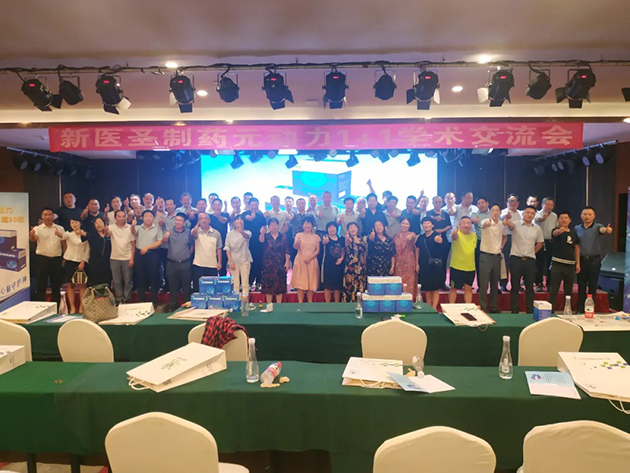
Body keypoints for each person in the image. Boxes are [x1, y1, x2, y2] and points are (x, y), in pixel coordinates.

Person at [503, 205, 544, 314]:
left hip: (530, 260)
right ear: (523, 213)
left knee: (529, 286)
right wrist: (507, 217)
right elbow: (508, 223)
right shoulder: (516, 224)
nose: (530, 215)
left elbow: (540, 243)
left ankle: (529, 311)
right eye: (528, 212)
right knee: (515, 285)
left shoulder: (537, 228)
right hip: (516, 259)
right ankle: (514, 310)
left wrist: (531, 252)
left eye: (532, 213)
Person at [574, 206, 613, 312]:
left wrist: (607, 230)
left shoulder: (597, 227)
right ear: (581, 216)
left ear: (594, 216)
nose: (587, 216)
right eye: (585, 214)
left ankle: (590, 310)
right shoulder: (577, 228)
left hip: (594, 261)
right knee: (581, 286)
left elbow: (603, 230)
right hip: (581, 260)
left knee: (592, 286)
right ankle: (580, 309)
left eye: (590, 214)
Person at [30, 208, 65, 306]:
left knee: (56, 285)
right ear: (42, 216)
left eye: (50, 214)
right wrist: (32, 235)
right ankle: (41, 307)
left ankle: (56, 307)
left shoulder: (60, 228)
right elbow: (33, 239)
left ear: (53, 216)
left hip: (56, 259)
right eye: (45, 215)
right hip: (42, 259)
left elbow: (64, 243)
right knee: (41, 285)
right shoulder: (38, 228)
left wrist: (64, 258)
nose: (48, 217)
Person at [55, 218, 89, 313]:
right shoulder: (69, 234)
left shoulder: (85, 234)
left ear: (80, 223)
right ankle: (72, 307)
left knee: (83, 285)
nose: (74, 224)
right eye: (72, 223)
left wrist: (83, 262)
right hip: (70, 261)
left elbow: (87, 250)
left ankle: (82, 307)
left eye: (76, 222)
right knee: (70, 285)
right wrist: (57, 233)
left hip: (82, 261)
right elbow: (62, 236)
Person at [548, 211, 581, 311]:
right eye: (561, 218)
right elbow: (555, 233)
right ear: (558, 220)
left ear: (570, 220)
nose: (564, 220)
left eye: (566, 218)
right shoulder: (556, 230)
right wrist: (560, 231)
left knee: (568, 290)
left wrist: (578, 263)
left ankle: (567, 310)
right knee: (554, 289)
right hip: (557, 264)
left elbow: (576, 248)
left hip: (570, 265)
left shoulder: (573, 232)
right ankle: (550, 310)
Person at [162, 213, 193, 312]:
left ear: (184, 223)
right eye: (176, 220)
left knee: (186, 287)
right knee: (173, 286)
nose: (177, 222)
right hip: (172, 263)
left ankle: (187, 307)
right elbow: (163, 242)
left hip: (185, 263)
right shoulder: (169, 232)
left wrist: (186, 256)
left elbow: (191, 247)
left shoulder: (188, 232)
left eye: (180, 220)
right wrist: (165, 237)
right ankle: (173, 306)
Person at [478, 203, 506, 314]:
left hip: (497, 256)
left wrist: (501, 247)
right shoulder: (485, 221)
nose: (495, 212)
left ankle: (493, 307)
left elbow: (504, 237)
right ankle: (483, 307)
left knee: (495, 284)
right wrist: (487, 224)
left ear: (500, 212)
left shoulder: (502, 225)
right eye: (493, 210)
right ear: (490, 212)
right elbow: (484, 225)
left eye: (497, 210)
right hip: (486, 256)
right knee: (484, 284)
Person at [133, 210, 163, 308]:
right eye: (146, 216)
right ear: (142, 218)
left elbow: (159, 242)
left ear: (153, 218)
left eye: (150, 216)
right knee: (140, 278)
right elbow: (133, 232)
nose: (148, 218)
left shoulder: (157, 228)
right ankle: (141, 301)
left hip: (153, 255)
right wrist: (132, 225)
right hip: (140, 255)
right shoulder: (138, 227)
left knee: (154, 278)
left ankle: (154, 302)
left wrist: (147, 247)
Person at [415, 217, 445, 309]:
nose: (426, 225)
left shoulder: (436, 235)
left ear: (432, 225)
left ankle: (434, 307)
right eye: (424, 223)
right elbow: (417, 250)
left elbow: (440, 241)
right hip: (424, 265)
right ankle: (429, 306)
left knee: (435, 288)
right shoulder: (420, 238)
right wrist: (417, 263)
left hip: (434, 266)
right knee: (427, 288)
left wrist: (439, 239)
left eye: (428, 223)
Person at [259, 218, 290, 303]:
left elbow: (286, 250)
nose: (274, 226)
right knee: (268, 285)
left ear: (278, 225)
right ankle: (269, 305)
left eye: (275, 224)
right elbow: (261, 241)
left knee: (280, 284)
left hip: (280, 264)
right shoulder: (266, 236)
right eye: (272, 225)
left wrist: (287, 262)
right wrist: (262, 232)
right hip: (268, 264)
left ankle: (279, 305)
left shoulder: (283, 236)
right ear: (269, 227)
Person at [291, 215, 320, 303]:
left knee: (311, 283)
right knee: (300, 283)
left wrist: (310, 258)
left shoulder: (316, 237)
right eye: (305, 224)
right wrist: (297, 242)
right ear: (302, 225)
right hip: (301, 260)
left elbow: (317, 250)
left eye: (309, 223)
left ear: (312, 225)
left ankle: (310, 303)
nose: (307, 226)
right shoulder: (298, 235)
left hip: (312, 261)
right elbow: (294, 247)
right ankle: (300, 303)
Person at [109, 209, 136, 305]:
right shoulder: (111, 227)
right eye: (119, 216)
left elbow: (133, 245)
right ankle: (119, 298)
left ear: (126, 217)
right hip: (114, 257)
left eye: (123, 216)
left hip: (127, 257)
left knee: (128, 280)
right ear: (115, 218)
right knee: (116, 281)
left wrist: (132, 258)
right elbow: (105, 234)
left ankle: (127, 299)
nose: (121, 218)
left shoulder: (130, 228)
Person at [191, 212, 222, 292]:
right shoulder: (196, 231)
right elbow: (193, 234)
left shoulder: (216, 233)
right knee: (197, 288)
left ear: (209, 220)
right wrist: (197, 225)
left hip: (212, 265)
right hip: (198, 264)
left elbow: (219, 248)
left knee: (211, 289)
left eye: (205, 218)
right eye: (201, 219)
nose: (203, 220)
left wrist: (219, 262)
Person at [449, 216, 477, 303]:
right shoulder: (456, 234)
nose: (466, 225)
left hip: (470, 268)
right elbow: (454, 236)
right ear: (459, 224)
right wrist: (454, 231)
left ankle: (468, 307)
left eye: (468, 223)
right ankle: (450, 307)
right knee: (453, 288)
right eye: (464, 223)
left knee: (468, 289)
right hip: (456, 267)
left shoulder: (474, 236)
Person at [242, 197, 266, 290]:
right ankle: (249, 282)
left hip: (259, 242)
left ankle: (259, 282)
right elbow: (249, 219)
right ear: (249, 205)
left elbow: (264, 226)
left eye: (256, 205)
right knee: (249, 263)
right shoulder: (245, 214)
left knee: (259, 262)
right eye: (252, 205)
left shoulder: (261, 215)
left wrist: (262, 234)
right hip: (247, 243)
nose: (254, 207)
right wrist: (252, 215)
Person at [426, 195, 451, 287]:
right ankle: (432, 282)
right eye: (436, 202)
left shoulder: (445, 213)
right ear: (432, 203)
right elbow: (426, 224)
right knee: (432, 261)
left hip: (444, 240)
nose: (438, 204)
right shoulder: (429, 213)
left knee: (443, 261)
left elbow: (449, 226)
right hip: (431, 240)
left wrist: (441, 230)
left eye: (439, 202)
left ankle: (442, 283)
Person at [225, 216, 253, 297]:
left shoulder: (247, 232)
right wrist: (230, 262)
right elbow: (227, 248)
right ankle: (235, 300)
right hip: (233, 260)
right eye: (237, 219)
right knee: (235, 283)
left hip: (245, 260)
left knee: (245, 283)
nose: (239, 221)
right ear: (234, 222)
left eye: (241, 219)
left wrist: (241, 232)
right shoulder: (229, 234)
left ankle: (245, 300)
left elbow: (247, 237)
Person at [534, 197, 558, 292]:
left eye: (551, 205)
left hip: (550, 242)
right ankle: (539, 283)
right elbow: (538, 219)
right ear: (542, 205)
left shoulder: (554, 216)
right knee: (539, 264)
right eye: (547, 204)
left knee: (550, 264)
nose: (549, 207)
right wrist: (543, 218)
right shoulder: (537, 214)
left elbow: (556, 227)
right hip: (539, 242)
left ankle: (549, 283)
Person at [499, 194, 522, 292]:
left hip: (518, 239)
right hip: (506, 238)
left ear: (518, 203)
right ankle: (503, 284)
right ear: (506, 203)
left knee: (517, 262)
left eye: (514, 201)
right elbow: (501, 218)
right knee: (505, 262)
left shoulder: (521, 213)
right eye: (510, 201)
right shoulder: (503, 212)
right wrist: (506, 217)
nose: (512, 203)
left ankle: (516, 284)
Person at [82, 217, 111, 286]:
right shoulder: (91, 235)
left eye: (100, 222)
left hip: (106, 263)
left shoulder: (109, 236)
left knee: (106, 282)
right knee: (95, 282)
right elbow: (83, 233)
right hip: (94, 263)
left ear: (104, 224)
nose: (98, 225)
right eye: (96, 223)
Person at [394, 218, 418, 300]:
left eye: (407, 224)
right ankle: (398, 301)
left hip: (409, 261)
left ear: (409, 225)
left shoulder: (412, 234)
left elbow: (413, 237)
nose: (405, 225)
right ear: (400, 224)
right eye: (403, 223)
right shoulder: (395, 236)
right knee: (398, 281)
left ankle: (409, 300)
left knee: (409, 282)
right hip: (398, 261)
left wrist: (411, 236)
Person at [342, 221, 367, 302]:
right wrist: (348, 240)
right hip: (350, 267)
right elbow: (345, 248)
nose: (353, 229)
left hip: (360, 267)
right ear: (348, 230)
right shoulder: (347, 239)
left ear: (357, 229)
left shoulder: (362, 240)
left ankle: (359, 305)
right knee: (350, 286)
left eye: (354, 227)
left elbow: (364, 253)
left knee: (360, 286)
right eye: (351, 228)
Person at [321, 221, 345, 302]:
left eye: (334, 227)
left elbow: (343, 250)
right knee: (327, 286)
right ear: (327, 229)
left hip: (339, 265)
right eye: (330, 228)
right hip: (328, 265)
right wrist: (324, 243)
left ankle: (336, 304)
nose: (332, 229)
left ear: (337, 229)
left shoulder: (341, 239)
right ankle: (327, 304)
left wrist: (341, 258)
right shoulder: (326, 239)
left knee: (337, 286)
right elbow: (322, 249)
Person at [471, 197, 491, 284]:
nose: (481, 205)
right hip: (479, 241)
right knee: (479, 265)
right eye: (479, 203)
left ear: (487, 203)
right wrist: (473, 220)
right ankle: (481, 285)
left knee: (492, 264)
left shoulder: (493, 213)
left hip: (491, 242)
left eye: (483, 202)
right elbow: (471, 220)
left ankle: (494, 286)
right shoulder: (475, 214)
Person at [209, 198, 230, 276]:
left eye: (218, 205)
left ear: (221, 206)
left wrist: (218, 215)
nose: (217, 207)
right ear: (212, 206)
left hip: (224, 242)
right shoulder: (209, 216)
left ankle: (223, 281)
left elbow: (224, 221)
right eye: (215, 205)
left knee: (223, 264)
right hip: (212, 243)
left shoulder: (225, 214)